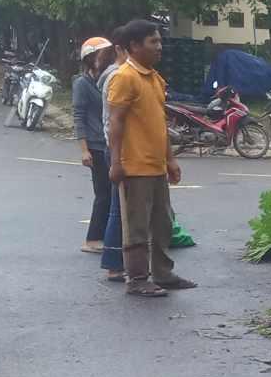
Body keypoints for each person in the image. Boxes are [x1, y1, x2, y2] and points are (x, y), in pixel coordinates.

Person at [106, 20, 194, 296]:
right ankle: (137, 278)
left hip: (155, 166)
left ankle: (163, 274)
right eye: (153, 42)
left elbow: (159, 123)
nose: (159, 46)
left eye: (159, 41)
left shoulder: (154, 78)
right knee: (137, 227)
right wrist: (116, 162)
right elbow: (115, 123)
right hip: (134, 167)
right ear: (134, 46)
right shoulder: (124, 77)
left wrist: (170, 159)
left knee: (163, 223)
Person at [73, 37, 116, 253]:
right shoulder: (82, 84)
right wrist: (84, 150)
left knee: (111, 193)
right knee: (103, 194)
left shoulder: (109, 80)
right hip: (96, 146)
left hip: (109, 144)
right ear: (90, 59)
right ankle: (92, 239)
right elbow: (78, 117)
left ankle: (107, 236)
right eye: (101, 55)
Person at [97, 39, 125, 281]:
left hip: (117, 149)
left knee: (121, 207)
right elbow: (114, 122)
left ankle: (119, 261)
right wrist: (117, 159)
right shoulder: (117, 76)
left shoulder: (115, 74)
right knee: (119, 207)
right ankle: (115, 263)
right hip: (118, 149)